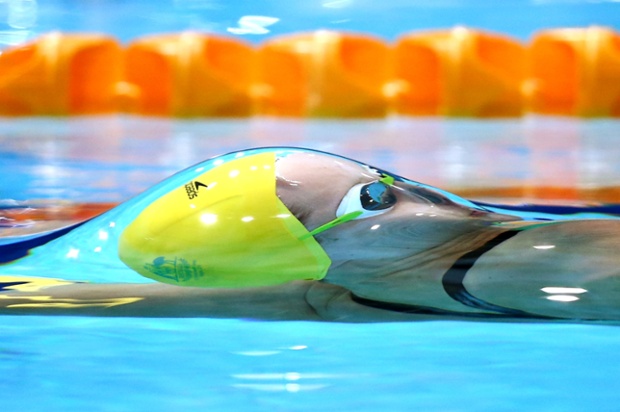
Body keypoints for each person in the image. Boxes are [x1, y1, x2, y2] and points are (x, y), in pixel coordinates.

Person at [1, 147, 620, 323]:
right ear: (318, 253)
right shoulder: (545, 258)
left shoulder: (343, 286)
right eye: (375, 196)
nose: (426, 193)